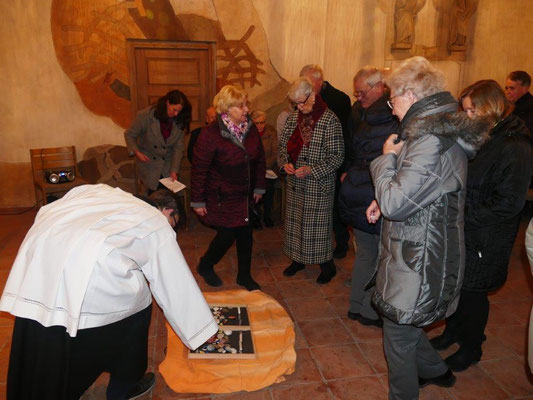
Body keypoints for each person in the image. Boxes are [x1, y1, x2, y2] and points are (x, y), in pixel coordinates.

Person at [0, 184, 218, 400]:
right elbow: (173, 282)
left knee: (52, 340)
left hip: (37, 270)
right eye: (173, 224)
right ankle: (124, 387)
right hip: (85, 283)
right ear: (169, 212)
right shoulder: (154, 220)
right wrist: (202, 330)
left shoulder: (98, 191)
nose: (170, 229)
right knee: (140, 304)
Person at [366, 56, 490, 399]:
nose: (391, 109)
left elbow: (396, 202)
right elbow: (417, 192)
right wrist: (386, 196)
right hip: (420, 250)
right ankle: (438, 371)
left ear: (409, 94)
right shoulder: (432, 131)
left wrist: (386, 159)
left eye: (392, 100)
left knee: (398, 334)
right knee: (404, 323)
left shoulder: (429, 140)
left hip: (421, 257)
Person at [430, 79, 533, 372]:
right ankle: (453, 332)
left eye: (471, 111)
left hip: (487, 235)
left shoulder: (515, 146)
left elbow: (509, 202)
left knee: (474, 293)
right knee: (457, 287)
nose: (467, 118)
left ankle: (471, 347)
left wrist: (463, 217)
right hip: (468, 227)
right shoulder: (486, 134)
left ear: (491, 108)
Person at [337, 66, 399, 327]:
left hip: (358, 188)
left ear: (379, 88)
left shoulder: (366, 115)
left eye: (362, 92)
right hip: (374, 193)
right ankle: (368, 311)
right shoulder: (392, 120)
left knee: (366, 254)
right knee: (378, 257)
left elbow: (355, 150)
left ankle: (356, 307)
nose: (357, 96)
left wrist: (350, 172)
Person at [191, 85, 266, 291]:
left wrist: (259, 186)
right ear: (226, 109)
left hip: (245, 194)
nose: (246, 110)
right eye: (240, 106)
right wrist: (198, 200)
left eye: (246, 104)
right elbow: (199, 169)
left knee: (245, 233)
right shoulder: (210, 134)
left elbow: (259, 159)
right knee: (227, 234)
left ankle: (244, 275)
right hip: (222, 195)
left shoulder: (249, 129)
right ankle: (206, 265)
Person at [279, 77, 344, 284]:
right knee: (295, 226)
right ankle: (298, 260)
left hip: (318, 185)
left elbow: (337, 156)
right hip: (296, 185)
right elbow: (282, 149)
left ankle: (328, 266)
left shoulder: (329, 120)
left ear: (313, 96)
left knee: (317, 230)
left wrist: (311, 169)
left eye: (302, 102)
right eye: (295, 104)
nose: (299, 107)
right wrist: (285, 164)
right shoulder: (292, 119)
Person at [300, 65, 351, 258]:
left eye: (309, 84)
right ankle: (312, 246)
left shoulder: (340, 99)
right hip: (310, 162)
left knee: (335, 206)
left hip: (333, 160)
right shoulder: (304, 98)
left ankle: (341, 243)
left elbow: (344, 135)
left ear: (319, 82)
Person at [125, 89, 191, 194]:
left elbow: (179, 148)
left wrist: (174, 170)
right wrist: (137, 152)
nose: (176, 114)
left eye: (179, 111)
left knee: (169, 198)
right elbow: (129, 135)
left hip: (167, 165)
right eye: (174, 110)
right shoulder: (146, 115)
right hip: (149, 163)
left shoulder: (179, 120)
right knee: (153, 197)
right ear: (167, 102)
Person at [251, 110, 278, 228]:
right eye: (257, 123)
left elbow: (275, 153)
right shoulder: (248, 133)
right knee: (253, 187)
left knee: (268, 188)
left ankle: (267, 215)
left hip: (268, 168)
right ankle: (255, 216)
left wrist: (264, 167)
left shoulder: (271, 132)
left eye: (262, 122)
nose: (260, 125)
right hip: (253, 169)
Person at [505, 70, 533, 135]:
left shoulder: (530, 108)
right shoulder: (508, 105)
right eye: (506, 88)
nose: (507, 92)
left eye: (512, 88)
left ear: (524, 89)